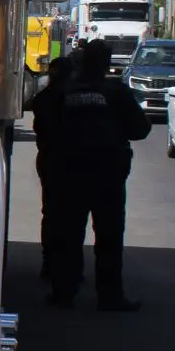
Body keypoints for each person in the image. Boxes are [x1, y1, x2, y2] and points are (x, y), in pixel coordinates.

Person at [33, 39, 151, 311]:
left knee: (69, 234)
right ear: (105, 64)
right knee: (109, 236)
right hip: (107, 173)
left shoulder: (60, 91)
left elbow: (42, 121)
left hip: (69, 172)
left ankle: (64, 293)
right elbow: (140, 129)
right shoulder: (116, 92)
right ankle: (110, 296)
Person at [32, 55, 73, 283]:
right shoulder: (70, 98)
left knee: (51, 213)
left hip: (50, 159)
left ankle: (50, 262)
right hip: (65, 161)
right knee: (69, 216)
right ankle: (63, 264)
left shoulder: (43, 98)